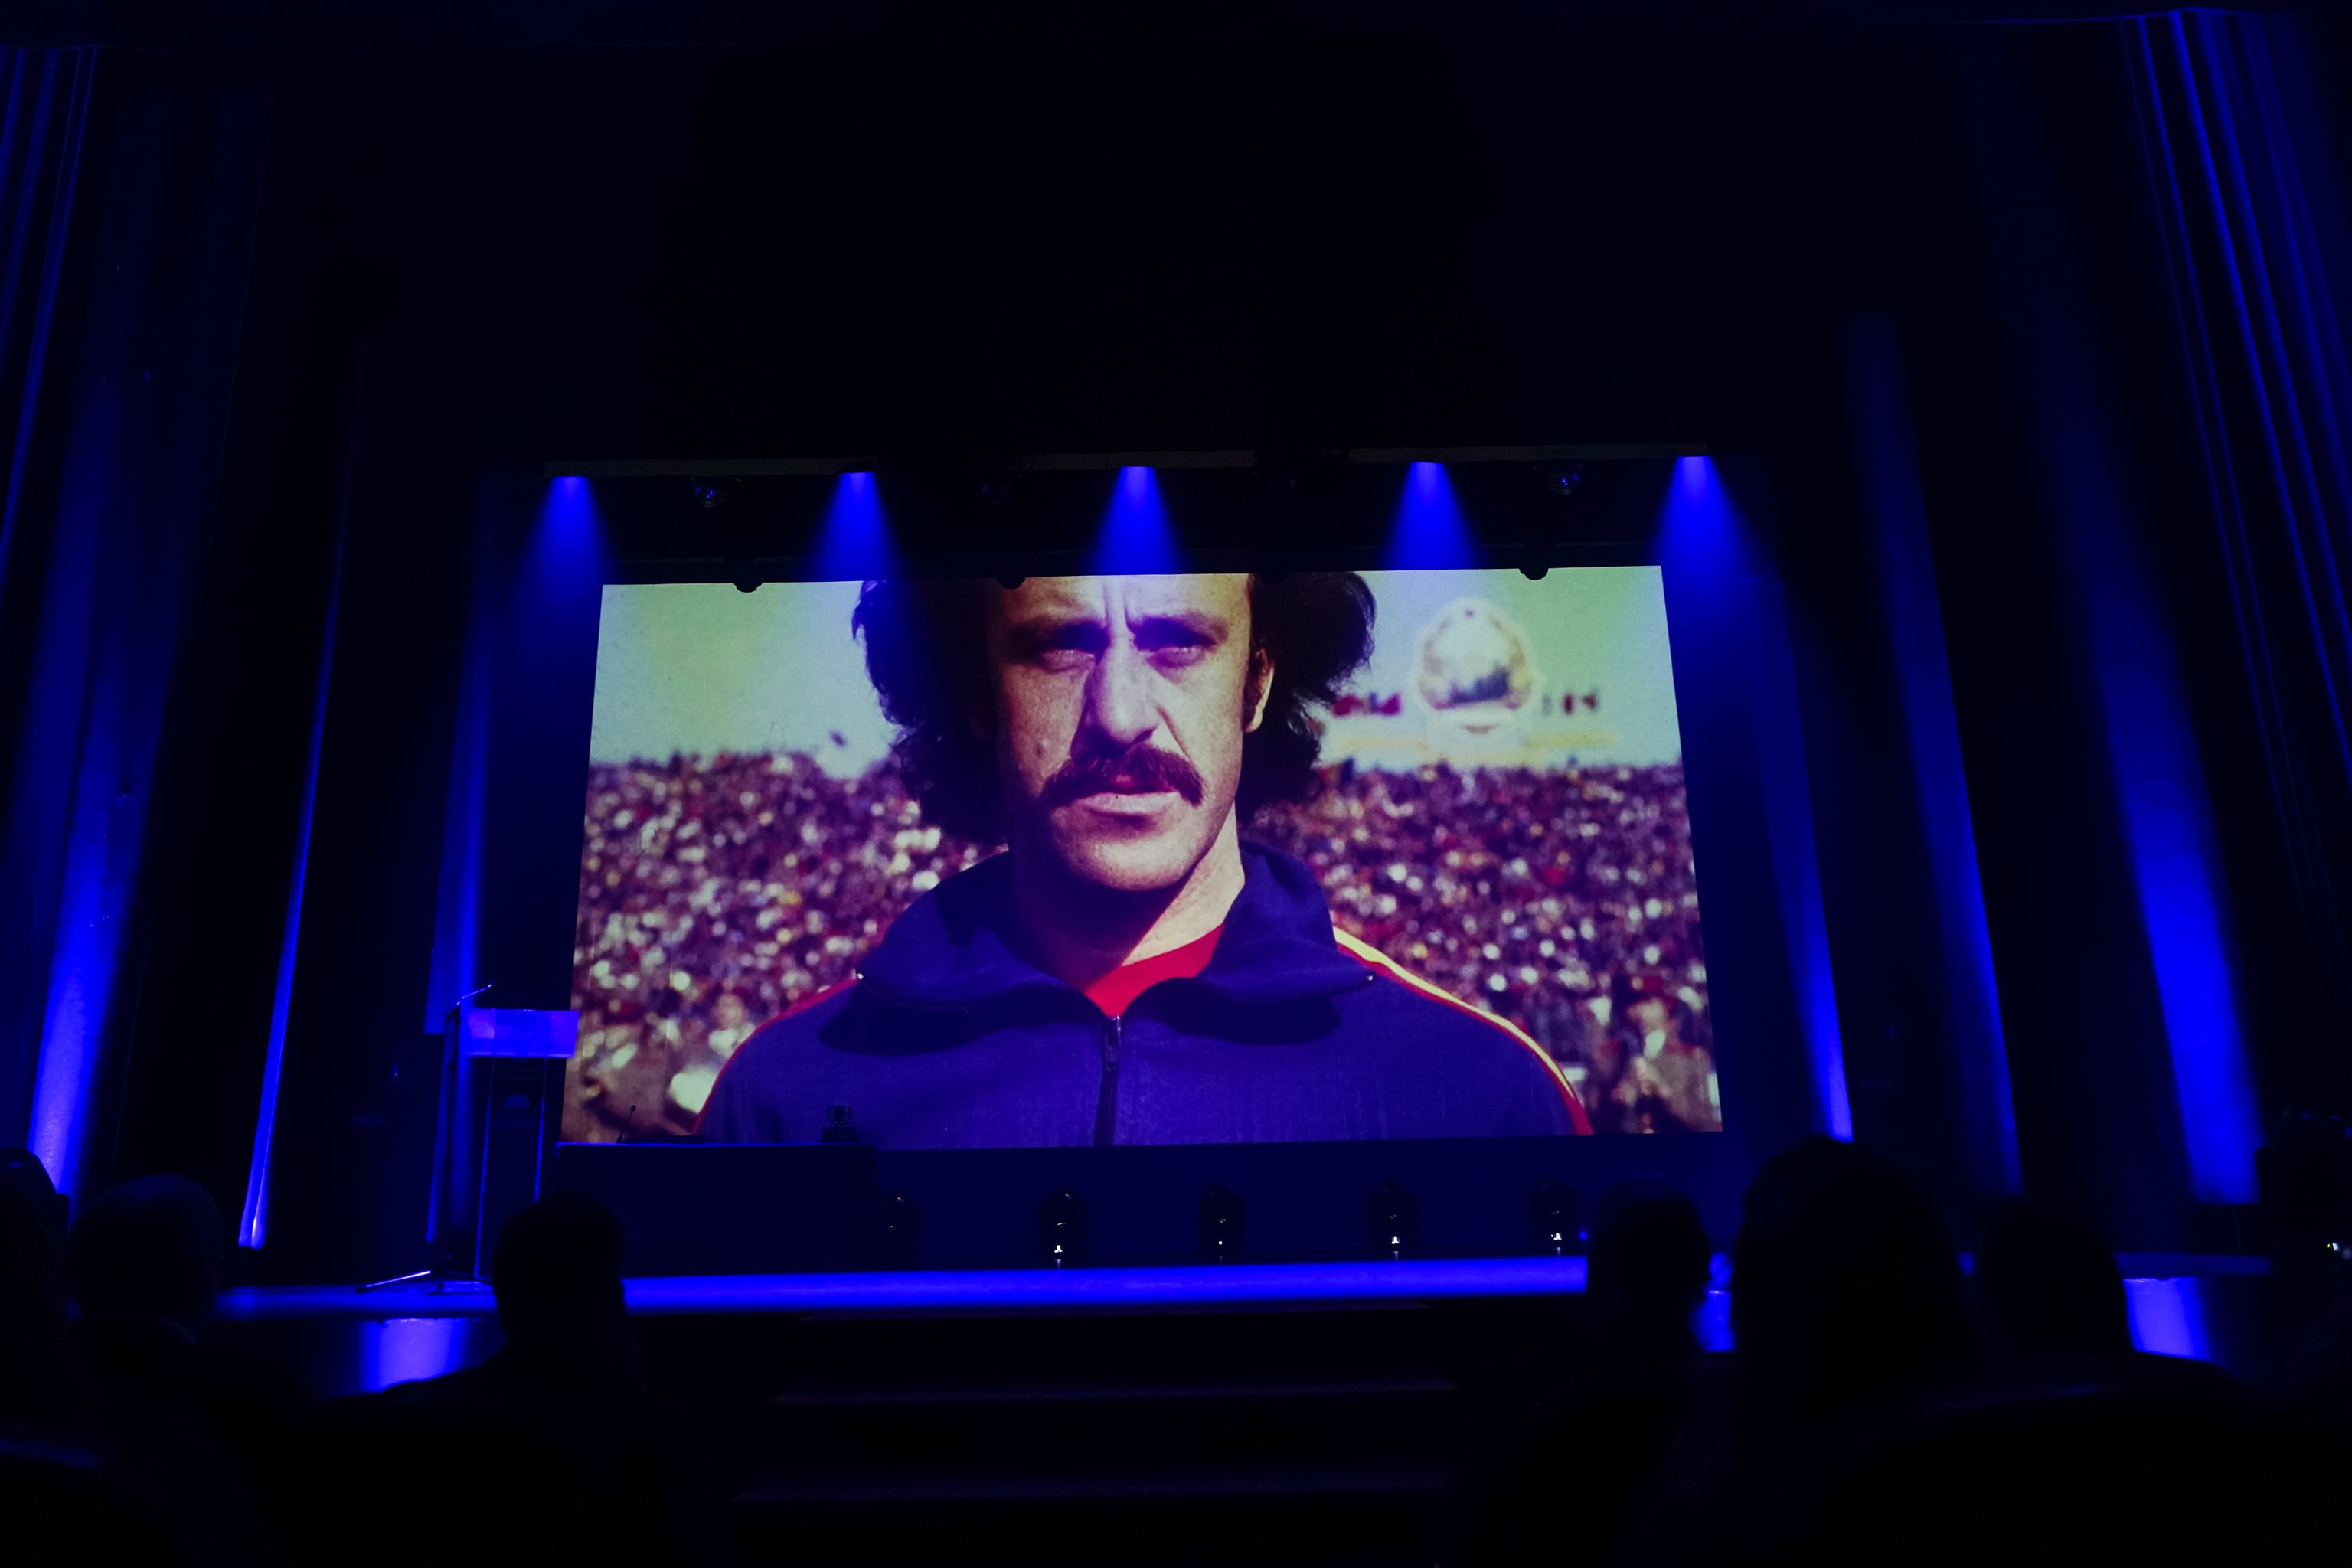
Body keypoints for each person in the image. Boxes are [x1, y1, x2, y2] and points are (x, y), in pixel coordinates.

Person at [699, 573, 1589, 1147]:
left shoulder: (1487, 1093)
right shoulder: (780, 1098)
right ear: (975, 691)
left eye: (1178, 642)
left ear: (1258, 683)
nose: (1120, 713)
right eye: (1060, 645)